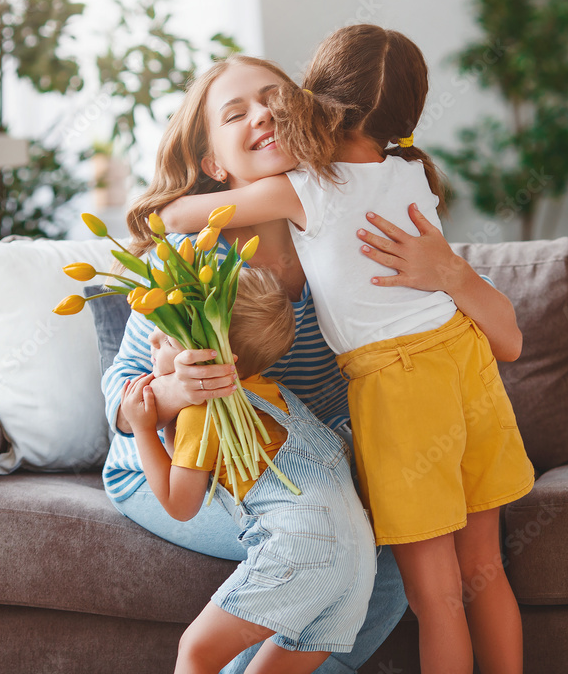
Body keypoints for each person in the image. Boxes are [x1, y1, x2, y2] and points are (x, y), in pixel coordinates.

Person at [103, 50, 523, 674]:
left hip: (305, 463)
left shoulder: (359, 224)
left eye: (275, 99)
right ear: (213, 161)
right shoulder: (192, 259)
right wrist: (175, 392)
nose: (263, 116)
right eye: (236, 112)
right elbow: (119, 391)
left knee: (383, 540)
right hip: (175, 469)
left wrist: (451, 272)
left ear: (313, 118)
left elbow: (497, 335)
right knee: (329, 537)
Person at [121, 267, 375, 674]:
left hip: (302, 545)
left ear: (216, 357)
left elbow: (180, 505)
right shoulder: (278, 395)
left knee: (196, 652)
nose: (152, 339)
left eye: (167, 339)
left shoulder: (204, 414)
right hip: (359, 560)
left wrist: (142, 427)